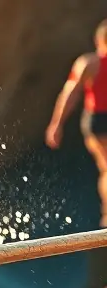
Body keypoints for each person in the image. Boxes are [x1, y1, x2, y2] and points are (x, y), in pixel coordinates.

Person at [47, 19, 107, 226]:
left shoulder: (88, 63)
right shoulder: (92, 63)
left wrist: (57, 124)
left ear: (98, 40)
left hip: (97, 121)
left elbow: (70, 94)